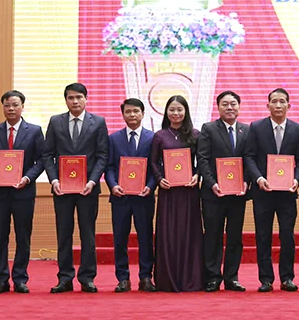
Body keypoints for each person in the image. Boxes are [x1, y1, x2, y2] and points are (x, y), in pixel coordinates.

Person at [43, 82, 109, 293]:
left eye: (79, 97)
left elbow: (102, 155)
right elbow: (47, 154)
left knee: (87, 233)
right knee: (64, 233)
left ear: (86, 99)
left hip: (88, 189)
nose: (75, 101)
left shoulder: (98, 122)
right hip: (62, 188)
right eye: (71, 98)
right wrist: (54, 180)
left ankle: (87, 277)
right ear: (66, 100)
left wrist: (92, 181)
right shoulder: (55, 121)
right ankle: (65, 277)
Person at [244, 88, 299, 292]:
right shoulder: (256, 127)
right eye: (274, 101)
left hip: (287, 193)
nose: (278, 105)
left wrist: (297, 179)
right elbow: (250, 157)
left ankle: (287, 277)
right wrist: (259, 178)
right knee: (263, 236)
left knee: (287, 235)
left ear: (289, 105)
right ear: (268, 105)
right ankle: (266, 279)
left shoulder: (297, 129)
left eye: (282, 102)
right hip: (263, 192)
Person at [0, 90, 45, 294]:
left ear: (22, 107)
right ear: (3, 107)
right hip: (0, 193)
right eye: (7, 105)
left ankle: (20, 278)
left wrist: (27, 178)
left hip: (24, 193)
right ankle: (0, 279)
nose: (11, 109)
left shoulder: (34, 131)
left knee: (22, 236)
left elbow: (42, 160)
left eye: (15, 105)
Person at [150, 95, 205, 292]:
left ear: (186, 112)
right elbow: (153, 162)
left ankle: (192, 278)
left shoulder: (196, 134)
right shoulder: (160, 136)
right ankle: (168, 280)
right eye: (172, 109)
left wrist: (197, 176)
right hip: (168, 193)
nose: (175, 113)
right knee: (169, 233)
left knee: (189, 233)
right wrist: (159, 179)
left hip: (189, 192)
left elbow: (202, 161)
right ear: (166, 112)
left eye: (179, 109)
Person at [197, 90, 251, 292]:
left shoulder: (246, 130)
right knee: (213, 235)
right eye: (225, 104)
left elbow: (250, 159)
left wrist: (246, 181)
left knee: (235, 237)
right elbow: (202, 159)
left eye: (233, 104)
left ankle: (231, 277)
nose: (229, 107)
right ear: (218, 107)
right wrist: (212, 183)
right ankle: (212, 277)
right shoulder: (209, 129)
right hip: (214, 194)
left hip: (238, 194)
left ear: (239, 106)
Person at [104, 98, 157, 293]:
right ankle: (123, 278)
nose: (132, 115)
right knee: (120, 239)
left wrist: (150, 186)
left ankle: (145, 277)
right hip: (120, 197)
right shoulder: (113, 138)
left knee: (145, 238)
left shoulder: (153, 138)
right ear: (123, 114)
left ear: (143, 114)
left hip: (144, 197)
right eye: (128, 112)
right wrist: (113, 185)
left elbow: (155, 168)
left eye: (136, 111)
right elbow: (109, 167)